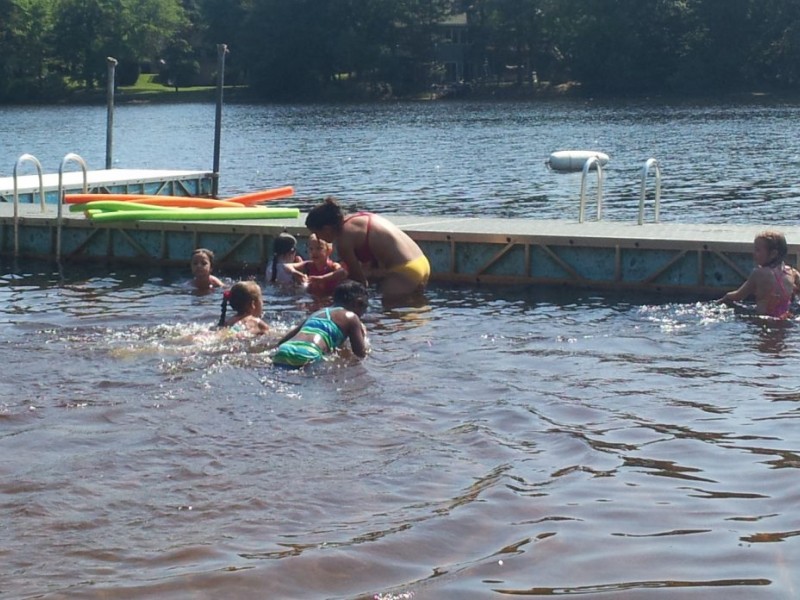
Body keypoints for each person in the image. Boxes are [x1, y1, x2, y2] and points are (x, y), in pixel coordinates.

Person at [305, 196, 430, 300]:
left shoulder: (343, 241)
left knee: (391, 319)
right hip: (421, 262)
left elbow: (359, 282)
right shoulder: (357, 218)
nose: (317, 237)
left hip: (404, 270)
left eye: (316, 232)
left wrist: (333, 298)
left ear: (327, 228)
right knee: (416, 307)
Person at [272, 280, 368, 368]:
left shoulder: (317, 313)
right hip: (309, 353)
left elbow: (282, 342)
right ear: (358, 303)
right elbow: (360, 354)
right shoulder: (351, 317)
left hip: (284, 350)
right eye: (364, 308)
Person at [718, 230, 800, 318]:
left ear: (773, 254)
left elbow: (738, 296)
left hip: (763, 321)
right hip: (785, 323)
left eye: (757, 250)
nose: (754, 254)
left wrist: (724, 298)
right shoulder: (793, 273)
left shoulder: (758, 273)